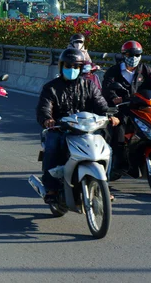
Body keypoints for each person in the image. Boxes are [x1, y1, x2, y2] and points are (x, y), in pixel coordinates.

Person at [36, 48, 119, 204]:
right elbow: (44, 108)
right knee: (52, 146)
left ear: (81, 68)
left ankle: (104, 185)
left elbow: (100, 104)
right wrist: (48, 119)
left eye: (76, 66)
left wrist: (110, 116)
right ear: (61, 66)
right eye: (68, 65)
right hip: (60, 128)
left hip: (87, 128)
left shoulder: (89, 85)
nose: (72, 69)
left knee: (107, 148)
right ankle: (51, 188)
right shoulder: (51, 87)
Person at [101, 40, 151, 177]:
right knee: (119, 131)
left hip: (142, 107)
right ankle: (119, 164)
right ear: (123, 55)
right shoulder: (114, 71)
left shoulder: (145, 70)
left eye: (137, 54)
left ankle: (147, 155)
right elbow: (107, 87)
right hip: (122, 108)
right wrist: (114, 96)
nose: (133, 58)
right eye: (129, 54)